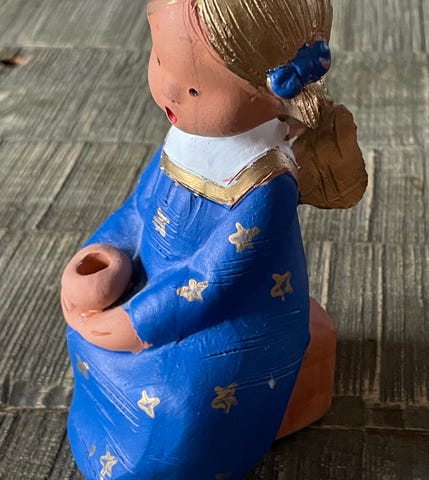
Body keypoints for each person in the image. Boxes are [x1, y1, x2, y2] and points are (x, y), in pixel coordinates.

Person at [61, 1, 366, 478]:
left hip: (230, 317)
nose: (168, 90)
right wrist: (97, 253)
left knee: (183, 396)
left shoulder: (264, 184)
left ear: (268, 92)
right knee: (86, 338)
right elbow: (137, 211)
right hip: (155, 286)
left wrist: (136, 325)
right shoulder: (184, 139)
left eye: (193, 88)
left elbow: (211, 280)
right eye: (159, 60)